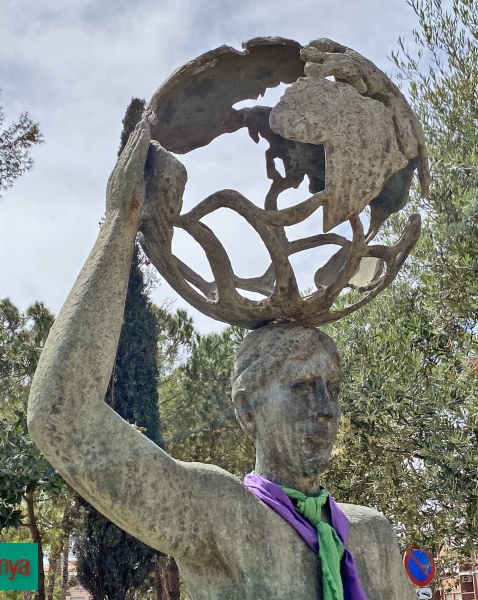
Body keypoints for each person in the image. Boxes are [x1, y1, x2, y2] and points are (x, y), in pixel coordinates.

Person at [27, 118, 415, 599]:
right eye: (300, 387)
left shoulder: (370, 536)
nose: (325, 408)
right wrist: (120, 224)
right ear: (247, 407)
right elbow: (63, 417)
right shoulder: (223, 516)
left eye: (332, 389)